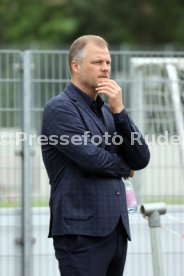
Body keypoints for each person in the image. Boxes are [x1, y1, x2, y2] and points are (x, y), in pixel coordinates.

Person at [41, 35, 150, 276]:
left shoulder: (110, 109)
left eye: (108, 62)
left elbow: (141, 158)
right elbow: (92, 158)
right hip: (81, 233)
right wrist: (126, 168)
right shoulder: (59, 108)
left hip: (116, 230)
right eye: (97, 62)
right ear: (75, 66)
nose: (105, 68)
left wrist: (120, 112)